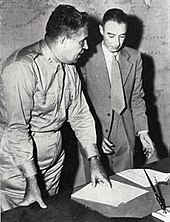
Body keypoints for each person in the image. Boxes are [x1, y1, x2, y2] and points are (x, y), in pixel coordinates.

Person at [0, 4, 110, 212]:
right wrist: (32, 181)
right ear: (63, 41)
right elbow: (17, 130)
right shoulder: (21, 68)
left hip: (53, 161)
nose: (87, 47)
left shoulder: (69, 66)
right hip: (18, 166)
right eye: (82, 41)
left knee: (48, 213)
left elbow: (80, 114)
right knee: (21, 215)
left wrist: (94, 160)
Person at [79, 8, 155, 175]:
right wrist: (95, 134)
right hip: (96, 129)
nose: (116, 42)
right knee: (98, 191)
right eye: (110, 35)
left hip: (125, 132)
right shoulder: (85, 57)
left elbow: (136, 97)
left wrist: (143, 131)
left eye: (122, 36)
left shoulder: (135, 58)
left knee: (126, 186)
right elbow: (79, 102)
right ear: (101, 30)